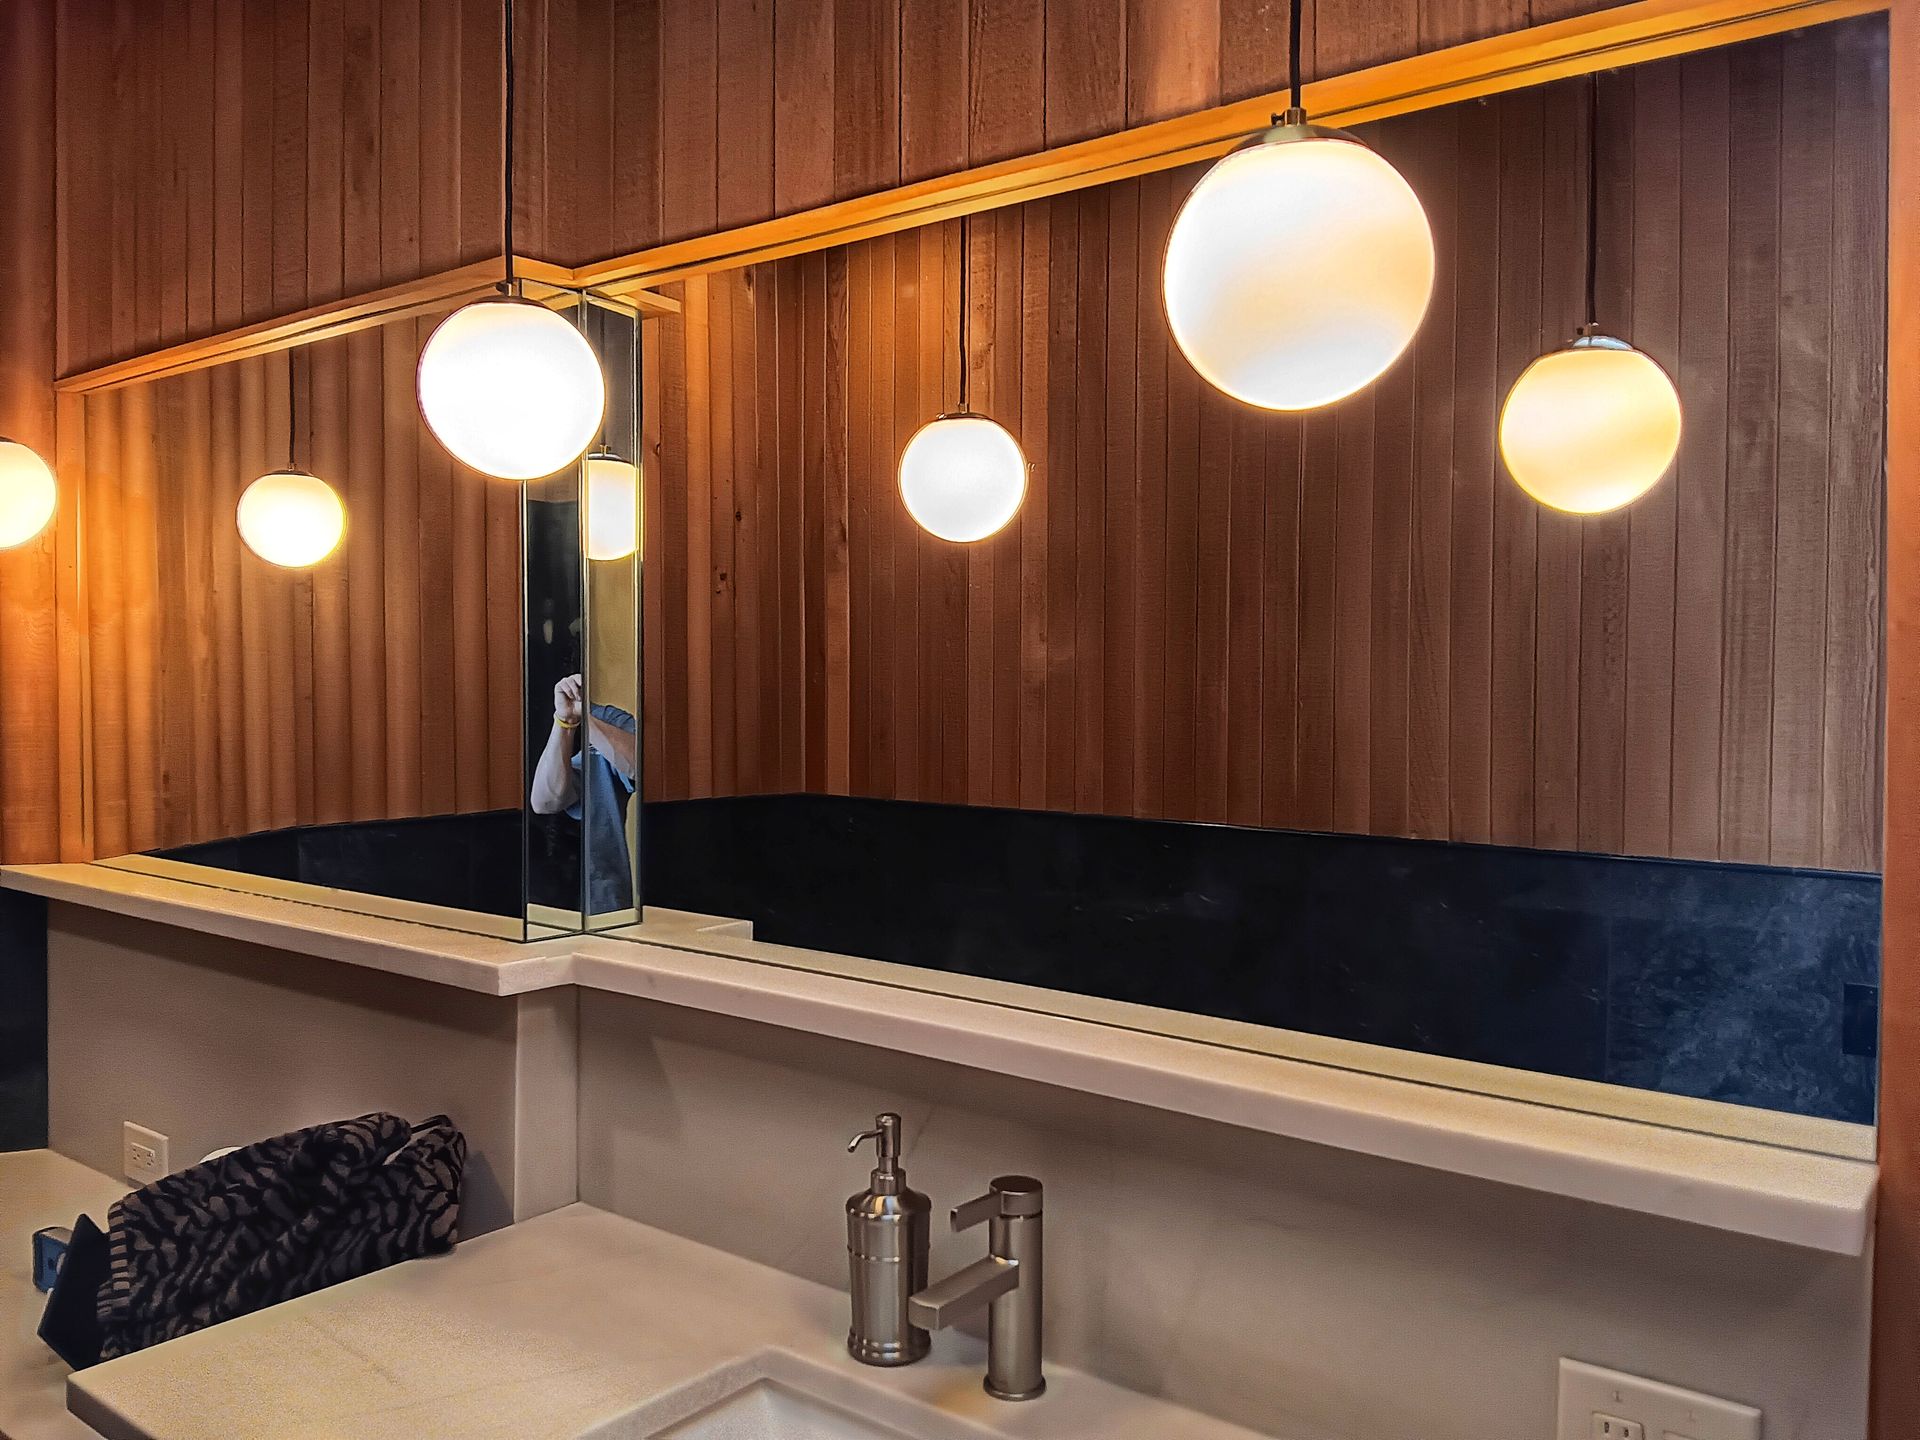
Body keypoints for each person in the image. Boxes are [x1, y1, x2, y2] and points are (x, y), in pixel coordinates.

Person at [529, 673, 638, 916]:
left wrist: (582, 716)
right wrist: (564, 722)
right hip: (535, 897)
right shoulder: (517, 720)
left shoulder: (609, 719)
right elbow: (545, 802)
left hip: (601, 897)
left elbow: (641, 768)